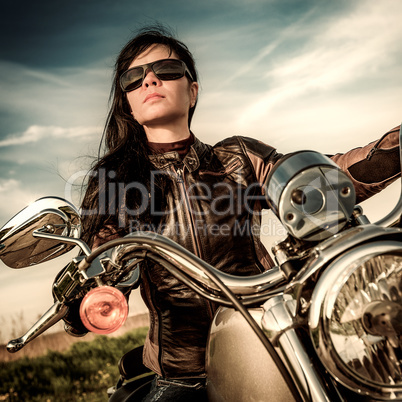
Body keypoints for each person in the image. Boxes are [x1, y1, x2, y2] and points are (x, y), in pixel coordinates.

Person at [76, 26, 400, 401]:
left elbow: (322, 180)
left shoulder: (239, 158)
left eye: (166, 69)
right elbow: (100, 261)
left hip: (271, 339)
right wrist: (90, 292)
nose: (149, 79)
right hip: (184, 374)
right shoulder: (115, 180)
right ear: (128, 105)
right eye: (134, 78)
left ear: (192, 90)